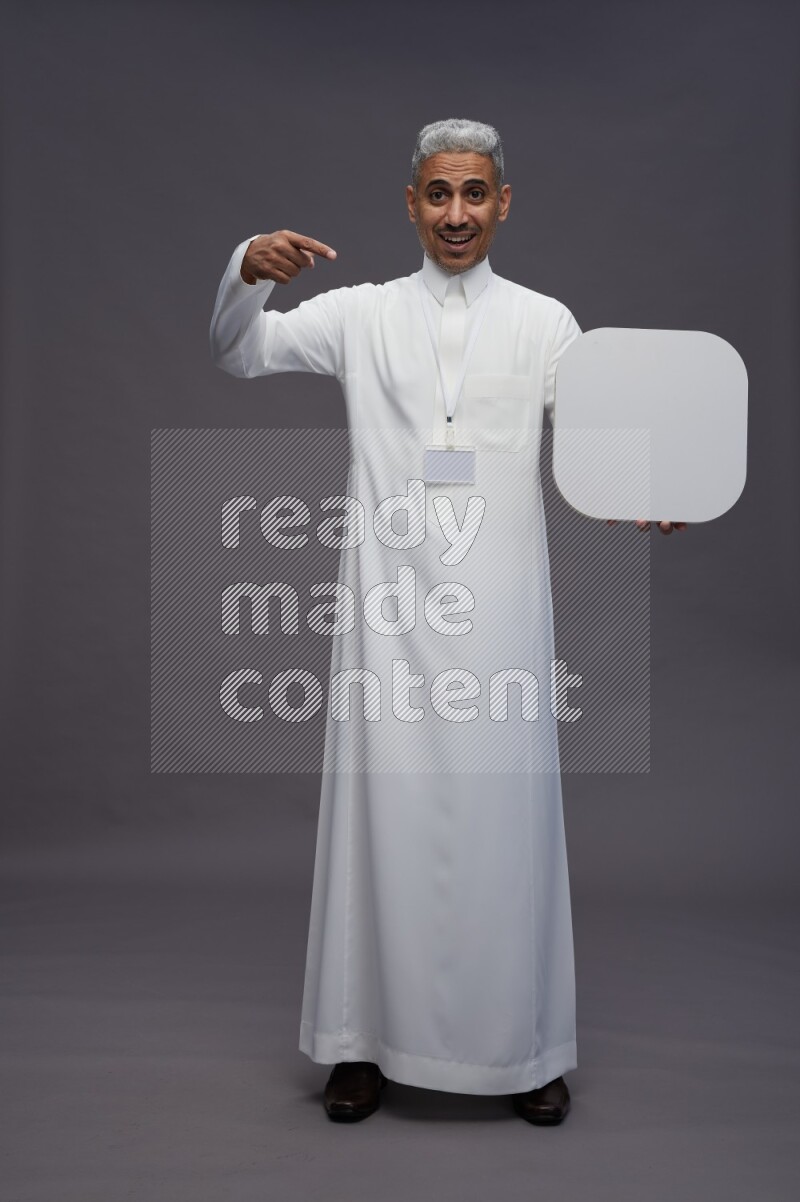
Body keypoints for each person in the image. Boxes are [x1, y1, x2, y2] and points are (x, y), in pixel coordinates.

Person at [210, 118, 684, 1127]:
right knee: (374, 823)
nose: (456, 213)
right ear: (411, 204)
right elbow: (237, 353)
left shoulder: (546, 322)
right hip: (386, 610)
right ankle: (358, 1044)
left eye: (473, 193)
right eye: (437, 194)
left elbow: (595, 449)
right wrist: (248, 270)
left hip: (502, 614)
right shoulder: (358, 315)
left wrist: (648, 487)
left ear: (502, 202)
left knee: (504, 827)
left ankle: (523, 1047)